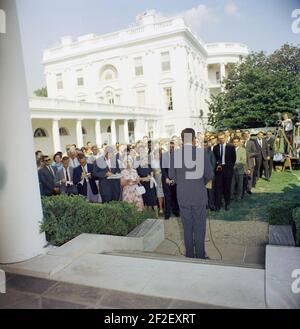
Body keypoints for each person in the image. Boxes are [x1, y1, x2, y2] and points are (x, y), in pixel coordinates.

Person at [169, 128, 214, 259]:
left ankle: (190, 255)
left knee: (187, 227)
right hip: (198, 194)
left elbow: (172, 175)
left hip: (183, 195)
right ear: (194, 139)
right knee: (199, 226)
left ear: (182, 139)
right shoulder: (201, 153)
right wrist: (201, 183)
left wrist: (182, 182)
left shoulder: (175, 154)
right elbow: (210, 174)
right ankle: (200, 256)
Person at [213, 132, 236, 211]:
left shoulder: (231, 147)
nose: (221, 140)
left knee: (227, 188)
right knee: (218, 188)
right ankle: (218, 206)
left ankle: (227, 204)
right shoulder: (215, 148)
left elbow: (233, 159)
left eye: (222, 138)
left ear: (225, 138)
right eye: (219, 139)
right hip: (218, 170)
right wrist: (217, 164)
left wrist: (229, 167)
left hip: (228, 170)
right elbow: (215, 158)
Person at [161, 141, 180, 220]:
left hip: (175, 179)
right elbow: (163, 169)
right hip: (166, 179)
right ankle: (167, 213)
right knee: (167, 196)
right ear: (167, 147)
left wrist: (174, 179)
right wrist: (167, 178)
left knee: (175, 196)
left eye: (172, 147)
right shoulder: (163, 156)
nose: (171, 148)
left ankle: (176, 211)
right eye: (170, 147)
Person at [231, 137, 247, 201]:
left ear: (239, 142)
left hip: (239, 170)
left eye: (237, 142)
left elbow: (243, 161)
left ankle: (239, 196)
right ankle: (231, 196)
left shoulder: (242, 150)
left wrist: (236, 166)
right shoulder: (230, 149)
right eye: (234, 142)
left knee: (240, 184)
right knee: (232, 184)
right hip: (231, 170)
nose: (235, 143)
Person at [204, 138, 216, 211]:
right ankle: (205, 204)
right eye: (203, 145)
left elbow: (213, 164)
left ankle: (211, 205)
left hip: (209, 175)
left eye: (205, 145)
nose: (204, 146)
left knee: (210, 191)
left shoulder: (211, 152)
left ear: (207, 145)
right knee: (203, 191)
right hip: (201, 176)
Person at [151, 149, 164, 216]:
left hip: (162, 177)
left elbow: (163, 170)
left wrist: (159, 170)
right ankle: (160, 208)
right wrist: (158, 170)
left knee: (163, 193)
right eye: (156, 154)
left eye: (158, 154)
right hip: (156, 178)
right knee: (159, 194)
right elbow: (154, 171)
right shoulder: (153, 162)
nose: (157, 155)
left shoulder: (162, 161)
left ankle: (163, 208)